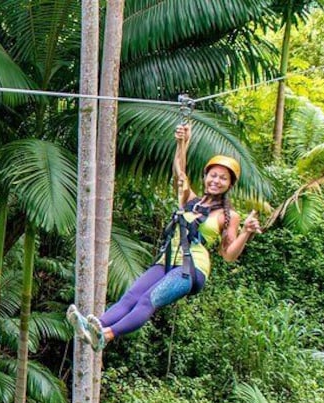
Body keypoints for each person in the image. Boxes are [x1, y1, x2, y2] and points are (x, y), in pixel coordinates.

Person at [68, 123, 262, 350]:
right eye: (213, 175)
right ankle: (94, 326)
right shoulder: (190, 200)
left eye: (223, 178)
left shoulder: (229, 215)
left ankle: (107, 335)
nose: (216, 181)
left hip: (191, 269)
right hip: (167, 261)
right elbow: (179, 172)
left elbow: (228, 255)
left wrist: (246, 232)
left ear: (229, 185)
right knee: (130, 297)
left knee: (148, 300)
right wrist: (182, 143)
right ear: (206, 176)